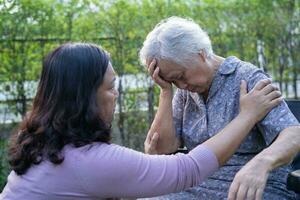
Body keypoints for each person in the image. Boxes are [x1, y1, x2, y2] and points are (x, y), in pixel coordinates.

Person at [0, 43, 280, 200]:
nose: (116, 94)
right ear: (84, 98)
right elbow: (187, 170)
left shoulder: (41, 146)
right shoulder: (89, 161)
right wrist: (247, 116)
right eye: (111, 87)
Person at [139, 17, 300, 200]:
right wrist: (166, 91)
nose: (181, 85)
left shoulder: (247, 78)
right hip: (198, 183)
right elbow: (161, 150)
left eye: (180, 76)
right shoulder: (184, 92)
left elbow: (293, 133)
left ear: (200, 54)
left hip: (249, 187)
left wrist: (261, 164)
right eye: (173, 81)